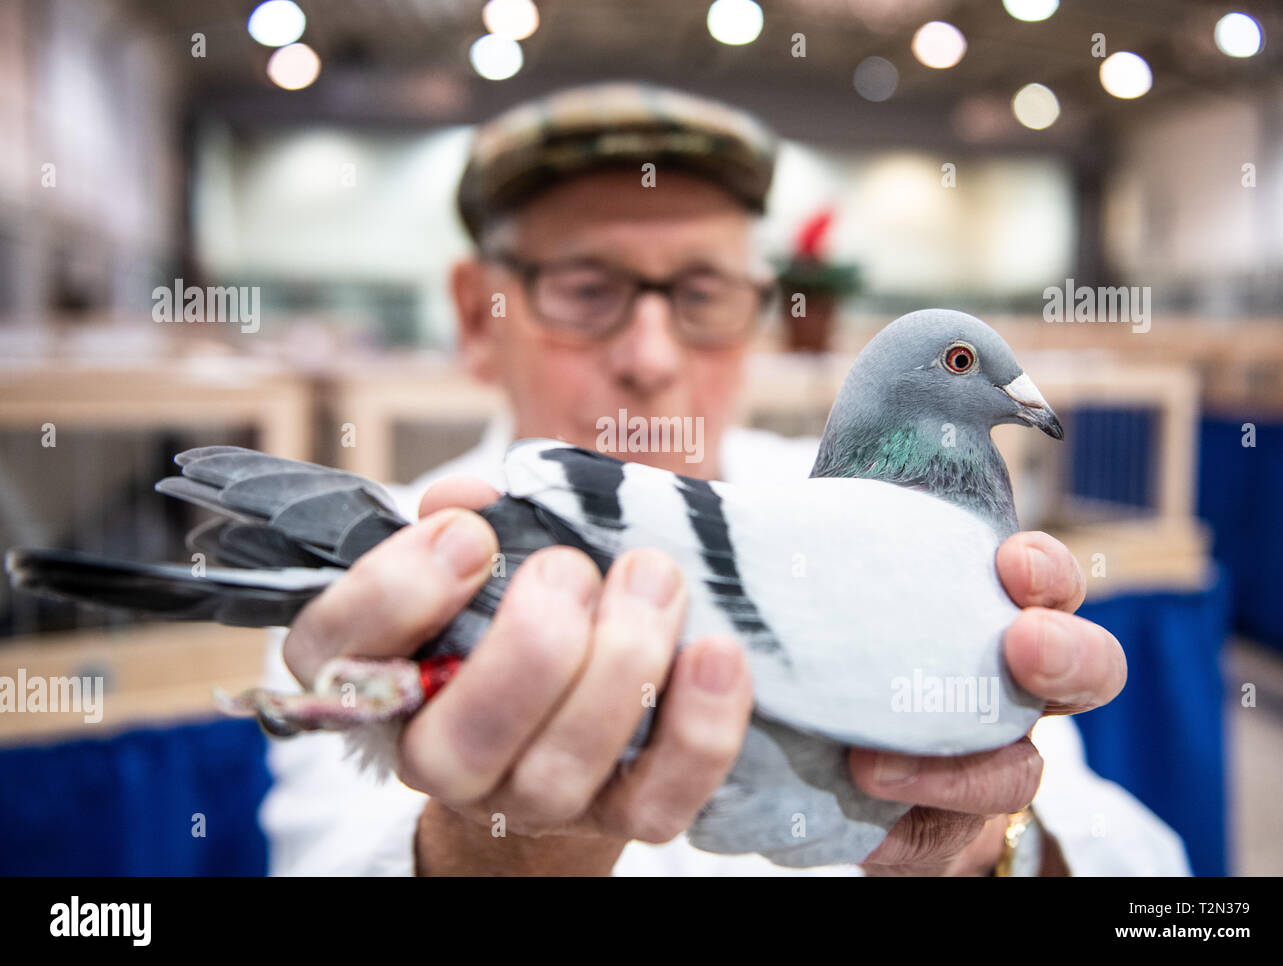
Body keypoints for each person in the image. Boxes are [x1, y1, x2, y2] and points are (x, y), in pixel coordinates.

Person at [258, 83, 1191, 876]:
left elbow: (1163, 885)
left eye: (702, 293)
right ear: (475, 312)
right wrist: (481, 850)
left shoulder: (902, 533)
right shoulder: (393, 572)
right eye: (586, 290)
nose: (651, 356)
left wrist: (989, 846)